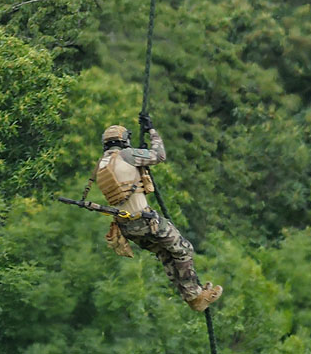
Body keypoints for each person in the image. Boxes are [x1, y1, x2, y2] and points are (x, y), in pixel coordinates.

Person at [95, 116, 223, 311]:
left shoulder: (102, 164)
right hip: (146, 222)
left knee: (165, 253)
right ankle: (194, 296)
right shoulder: (127, 155)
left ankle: (192, 295)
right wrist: (152, 132)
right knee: (183, 249)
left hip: (127, 227)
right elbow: (159, 155)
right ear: (124, 141)